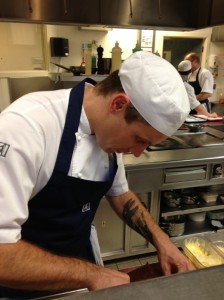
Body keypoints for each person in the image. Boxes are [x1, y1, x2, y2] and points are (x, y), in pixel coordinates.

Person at [0, 51, 195, 298]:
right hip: (21, 283)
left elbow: (120, 193)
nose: (136, 153)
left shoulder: (107, 133)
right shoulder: (24, 128)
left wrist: (162, 241)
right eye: (139, 139)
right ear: (118, 104)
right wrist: (93, 274)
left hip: (79, 271)